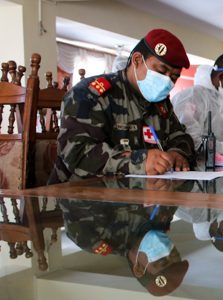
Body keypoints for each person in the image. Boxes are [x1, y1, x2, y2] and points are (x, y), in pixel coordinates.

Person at [49, 29, 195, 185]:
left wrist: (176, 154)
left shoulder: (160, 102)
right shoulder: (91, 94)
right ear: (137, 60)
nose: (167, 82)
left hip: (139, 198)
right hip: (83, 198)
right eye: (161, 71)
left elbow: (180, 136)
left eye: (173, 77)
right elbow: (76, 153)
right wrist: (140, 162)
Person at [59, 198, 188, 296]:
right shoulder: (162, 222)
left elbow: (67, 195)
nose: (167, 250)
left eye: (163, 261)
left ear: (139, 268)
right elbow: (181, 185)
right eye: (174, 253)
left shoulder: (93, 238)